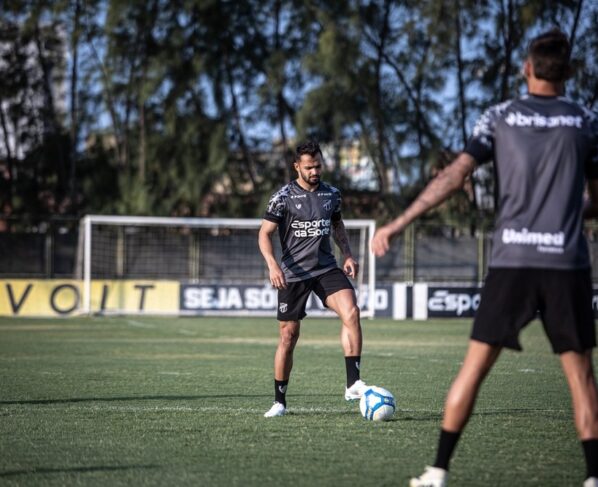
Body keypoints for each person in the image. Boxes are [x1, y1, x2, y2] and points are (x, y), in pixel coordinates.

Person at [371, 29, 598, 487]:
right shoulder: (586, 121)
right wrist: (573, 211)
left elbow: (455, 176)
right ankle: (593, 478)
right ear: (569, 73)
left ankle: (437, 471)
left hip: (512, 260)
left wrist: (398, 223)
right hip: (567, 263)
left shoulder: (500, 116)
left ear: (527, 69)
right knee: (581, 378)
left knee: (473, 370)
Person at [259, 139, 368, 417]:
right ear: (297, 167)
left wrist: (347, 254)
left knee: (352, 312)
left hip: (326, 268)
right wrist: (273, 265)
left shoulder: (332, 194)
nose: (314, 171)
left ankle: (352, 383)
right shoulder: (282, 197)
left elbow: (337, 224)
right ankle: (279, 401)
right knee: (288, 337)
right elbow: (264, 234)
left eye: (318, 166)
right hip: (293, 274)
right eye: (309, 167)